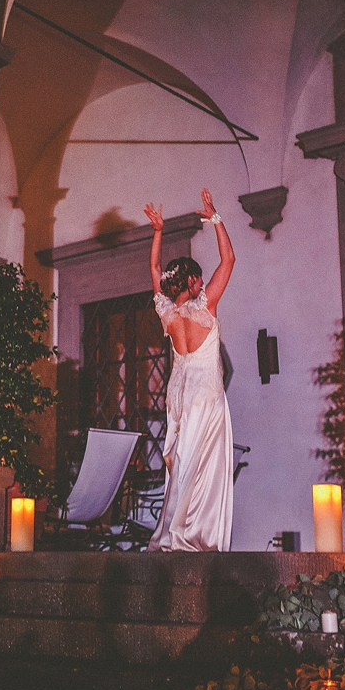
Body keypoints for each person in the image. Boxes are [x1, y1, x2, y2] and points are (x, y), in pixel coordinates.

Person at [142, 189, 235, 552]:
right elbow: (228, 260)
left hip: (178, 394)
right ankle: (194, 537)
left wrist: (158, 231)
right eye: (198, 280)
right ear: (194, 281)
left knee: (181, 464)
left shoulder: (168, 313)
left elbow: (153, 269)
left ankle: (172, 534)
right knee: (204, 467)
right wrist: (215, 218)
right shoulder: (204, 307)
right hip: (204, 394)